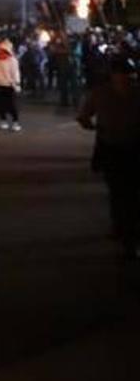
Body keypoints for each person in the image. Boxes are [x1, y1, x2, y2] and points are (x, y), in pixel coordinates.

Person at [78, 54, 140, 260]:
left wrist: (97, 127)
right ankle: (129, 233)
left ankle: (121, 229)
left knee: (117, 191)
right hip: (133, 147)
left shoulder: (100, 92)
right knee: (131, 192)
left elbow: (84, 118)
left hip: (111, 147)